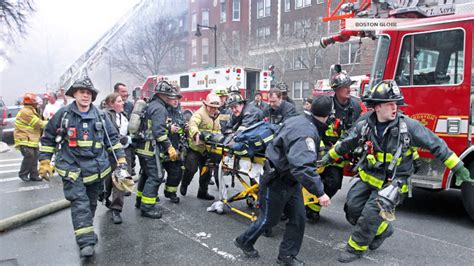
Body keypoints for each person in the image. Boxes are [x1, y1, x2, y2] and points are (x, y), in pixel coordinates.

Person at [321, 80, 474, 263]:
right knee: (352, 210)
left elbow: (437, 145)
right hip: (368, 177)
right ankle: (383, 229)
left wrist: (460, 169)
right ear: (377, 107)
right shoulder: (365, 123)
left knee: (370, 215)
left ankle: (355, 249)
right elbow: (347, 142)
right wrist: (328, 157)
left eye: (396, 104)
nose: (395, 108)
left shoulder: (409, 126)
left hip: (393, 183)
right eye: (389, 104)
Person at [234, 95, 333, 265]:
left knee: (298, 218)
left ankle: (286, 256)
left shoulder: (299, 120)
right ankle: (244, 240)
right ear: (327, 116)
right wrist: (320, 192)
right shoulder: (306, 132)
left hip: (290, 180)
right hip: (277, 180)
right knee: (269, 219)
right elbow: (301, 165)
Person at [38, 76, 127, 257]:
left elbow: (113, 141)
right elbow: (47, 139)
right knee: (80, 204)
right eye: (81, 92)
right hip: (72, 170)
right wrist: (45, 161)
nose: (85, 96)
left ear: (92, 97)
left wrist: (122, 161)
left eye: (88, 93)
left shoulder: (101, 116)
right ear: (75, 94)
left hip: (95, 171)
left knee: (92, 204)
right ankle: (86, 242)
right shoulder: (63, 115)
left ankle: (86, 231)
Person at [310, 65, 366, 222]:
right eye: (344, 87)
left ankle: (312, 207)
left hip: (341, 151)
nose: (348, 89)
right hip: (322, 147)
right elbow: (315, 127)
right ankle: (302, 204)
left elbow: (358, 128)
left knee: (333, 183)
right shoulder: (326, 104)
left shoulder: (355, 106)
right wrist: (319, 149)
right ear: (336, 89)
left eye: (349, 86)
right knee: (310, 177)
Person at [135, 81, 179, 218]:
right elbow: (159, 132)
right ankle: (147, 208)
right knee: (156, 176)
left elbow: (153, 126)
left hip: (142, 147)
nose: (169, 98)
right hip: (150, 149)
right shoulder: (160, 108)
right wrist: (169, 147)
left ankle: (140, 200)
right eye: (167, 95)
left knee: (146, 174)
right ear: (162, 94)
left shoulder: (152, 105)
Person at [180, 93, 222, 200]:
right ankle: (184, 184)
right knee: (191, 168)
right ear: (206, 105)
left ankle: (202, 192)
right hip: (196, 147)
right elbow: (192, 124)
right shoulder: (199, 113)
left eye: (215, 107)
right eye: (211, 107)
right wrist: (196, 134)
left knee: (207, 171)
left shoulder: (217, 115)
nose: (213, 109)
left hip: (209, 149)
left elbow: (217, 130)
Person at [103, 92, 133, 224]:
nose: (123, 103)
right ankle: (103, 196)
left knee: (120, 180)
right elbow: (110, 135)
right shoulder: (107, 116)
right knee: (110, 180)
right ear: (111, 103)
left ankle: (116, 209)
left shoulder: (123, 115)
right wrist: (125, 139)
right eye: (119, 101)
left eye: (122, 101)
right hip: (112, 153)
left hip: (124, 152)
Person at [14, 93, 47, 182]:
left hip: (32, 139)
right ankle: (23, 174)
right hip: (24, 138)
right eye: (35, 100)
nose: (37, 102)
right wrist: (50, 123)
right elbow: (38, 123)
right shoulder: (26, 111)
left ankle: (34, 175)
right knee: (29, 155)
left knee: (34, 157)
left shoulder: (33, 110)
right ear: (31, 102)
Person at [162, 86, 186, 204]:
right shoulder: (162, 110)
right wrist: (169, 129)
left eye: (177, 98)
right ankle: (144, 197)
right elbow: (157, 129)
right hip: (162, 147)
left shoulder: (179, 111)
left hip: (176, 146)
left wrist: (184, 128)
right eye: (173, 98)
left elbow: (180, 127)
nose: (176, 101)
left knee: (176, 172)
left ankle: (170, 192)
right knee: (155, 175)